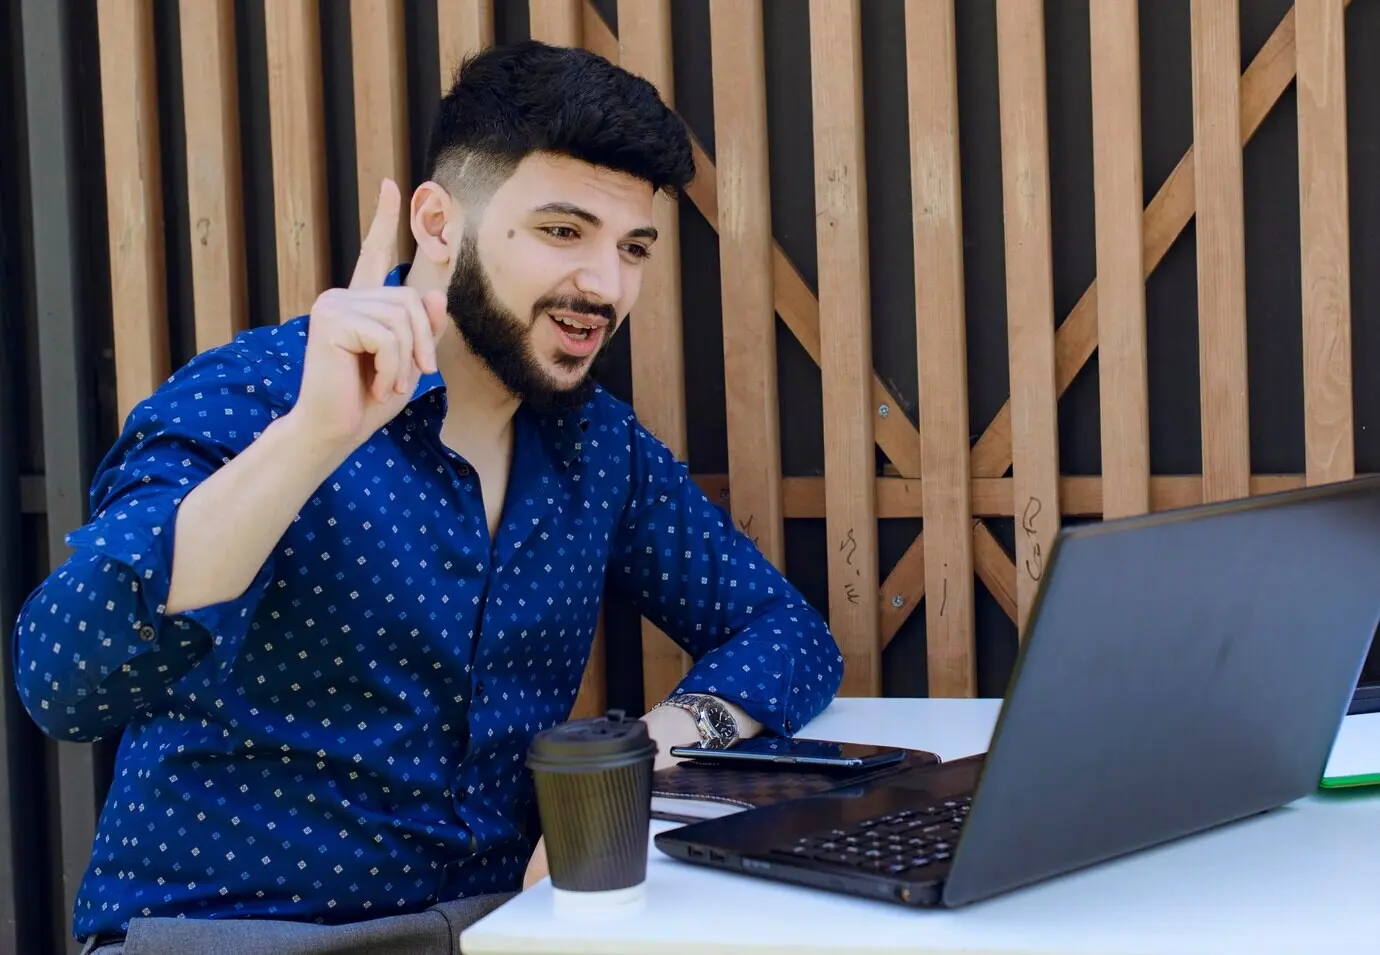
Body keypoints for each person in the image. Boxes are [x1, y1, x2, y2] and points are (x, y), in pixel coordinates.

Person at [13, 40, 843, 954]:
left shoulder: (596, 445)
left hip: (506, 927)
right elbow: (62, 679)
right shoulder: (256, 396)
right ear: (440, 224)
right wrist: (311, 440)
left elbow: (787, 632)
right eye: (563, 232)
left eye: (632, 248)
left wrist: (644, 761)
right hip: (239, 926)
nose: (605, 286)